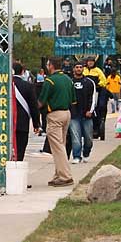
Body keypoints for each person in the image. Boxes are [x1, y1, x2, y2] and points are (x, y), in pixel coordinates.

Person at [38, 57, 76, 187]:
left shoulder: (50, 81)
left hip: (54, 115)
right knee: (61, 146)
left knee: (58, 147)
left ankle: (65, 176)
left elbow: (41, 102)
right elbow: (73, 99)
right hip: (66, 113)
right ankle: (59, 174)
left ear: (51, 66)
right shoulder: (68, 79)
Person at [69, 62, 96, 164]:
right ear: (73, 69)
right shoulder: (69, 82)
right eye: (77, 67)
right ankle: (76, 156)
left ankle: (86, 153)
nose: (79, 69)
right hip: (74, 115)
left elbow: (93, 98)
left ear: (83, 69)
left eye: (80, 67)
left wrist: (91, 110)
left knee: (89, 139)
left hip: (87, 115)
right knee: (76, 138)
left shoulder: (89, 82)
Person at [12, 63, 40, 161]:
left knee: (4, 150)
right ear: (23, 72)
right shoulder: (28, 86)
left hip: (6, 123)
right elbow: (33, 106)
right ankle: (16, 171)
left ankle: (2, 173)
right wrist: (36, 124)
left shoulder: (3, 85)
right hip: (22, 123)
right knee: (20, 150)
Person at [83, 56, 107, 139]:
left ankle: (96, 128)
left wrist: (98, 85)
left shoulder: (98, 70)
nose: (90, 63)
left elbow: (104, 81)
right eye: (89, 61)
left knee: (95, 108)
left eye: (92, 62)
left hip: (95, 91)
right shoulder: (84, 70)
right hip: (84, 92)